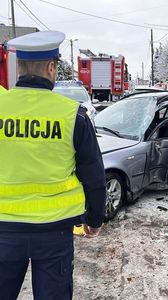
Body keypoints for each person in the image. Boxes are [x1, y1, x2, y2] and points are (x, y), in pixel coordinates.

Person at [0, 31, 106, 300]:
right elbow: (93, 175)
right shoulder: (73, 116)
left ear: (19, 67)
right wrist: (94, 220)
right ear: (50, 67)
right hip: (54, 232)